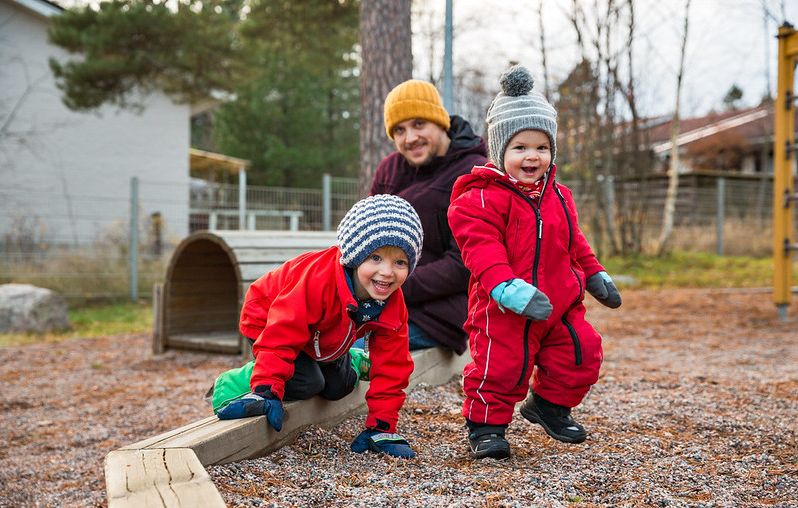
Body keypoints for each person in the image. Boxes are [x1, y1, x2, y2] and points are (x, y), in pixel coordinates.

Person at [447, 65, 623, 460]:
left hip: (559, 305)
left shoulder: (559, 195)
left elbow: (574, 241)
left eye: (542, 147)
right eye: (520, 147)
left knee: (582, 351)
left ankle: (548, 406)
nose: (533, 156)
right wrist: (506, 287)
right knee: (500, 367)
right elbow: (482, 250)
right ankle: (486, 427)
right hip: (504, 309)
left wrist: (594, 273)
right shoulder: (479, 200)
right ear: (500, 152)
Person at [216, 195, 424, 459]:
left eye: (400, 262)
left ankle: (349, 360)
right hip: (269, 318)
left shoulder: (391, 302)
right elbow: (283, 331)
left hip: (322, 335)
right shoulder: (318, 280)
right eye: (375, 257)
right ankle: (236, 383)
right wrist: (267, 388)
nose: (387, 272)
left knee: (339, 387)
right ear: (355, 255)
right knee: (308, 383)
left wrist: (382, 427)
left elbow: (393, 364)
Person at [369, 79, 488, 355]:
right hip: (381, 301)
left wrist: (392, 284)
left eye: (419, 124)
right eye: (400, 130)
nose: (410, 138)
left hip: (437, 317)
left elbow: (464, 265)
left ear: (440, 121)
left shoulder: (474, 172)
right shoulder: (389, 169)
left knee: (346, 348)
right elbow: (366, 238)